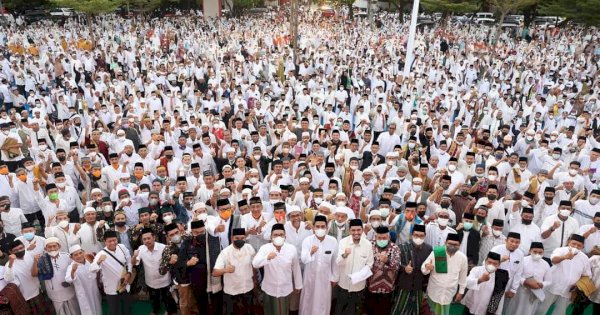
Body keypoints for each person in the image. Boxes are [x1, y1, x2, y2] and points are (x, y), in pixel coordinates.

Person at [535, 234, 592, 315]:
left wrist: (578, 285)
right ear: (569, 242)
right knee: (540, 310)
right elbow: (553, 260)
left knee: (560, 313)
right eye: (573, 243)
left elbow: (586, 274)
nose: (575, 246)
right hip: (553, 286)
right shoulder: (560, 250)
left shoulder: (584, 258)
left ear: (583, 247)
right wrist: (565, 257)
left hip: (568, 290)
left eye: (579, 245)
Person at [252, 223, 302, 315]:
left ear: (285, 236)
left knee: (282, 311)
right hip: (269, 288)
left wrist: (298, 285)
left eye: (281, 235)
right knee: (269, 311)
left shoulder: (291, 249)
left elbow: (296, 268)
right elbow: (255, 263)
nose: (278, 237)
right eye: (275, 235)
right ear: (271, 237)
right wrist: (267, 258)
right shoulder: (265, 248)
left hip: (285, 288)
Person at [180, 219, 222, 315]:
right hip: (197, 278)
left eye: (202, 232)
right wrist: (188, 263)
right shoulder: (187, 243)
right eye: (196, 232)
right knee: (201, 302)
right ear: (191, 232)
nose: (200, 234)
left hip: (214, 275)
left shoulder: (214, 239)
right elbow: (180, 262)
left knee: (217, 300)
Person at [299, 215, 339, 315]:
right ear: (313, 227)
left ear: (326, 227)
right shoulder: (307, 241)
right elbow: (303, 259)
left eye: (322, 227)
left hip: (325, 279)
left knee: (323, 302)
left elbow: (335, 261)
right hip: (310, 278)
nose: (320, 229)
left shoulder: (332, 241)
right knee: (308, 301)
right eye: (317, 226)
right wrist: (311, 252)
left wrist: (335, 277)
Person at [132, 228, 177, 315]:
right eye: (144, 239)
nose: (146, 241)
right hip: (150, 281)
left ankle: (172, 311)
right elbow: (134, 263)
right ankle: (155, 310)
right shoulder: (141, 249)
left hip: (164, 280)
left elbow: (171, 262)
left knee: (167, 298)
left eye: (148, 238)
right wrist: (134, 256)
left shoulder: (163, 247)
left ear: (154, 237)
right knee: (154, 298)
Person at [421, 233, 468, 315]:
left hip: (448, 294)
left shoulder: (462, 258)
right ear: (445, 243)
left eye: (455, 244)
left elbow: (463, 278)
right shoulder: (437, 252)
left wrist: (461, 292)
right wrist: (427, 267)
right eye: (450, 243)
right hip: (434, 292)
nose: (452, 246)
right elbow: (423, 269)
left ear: (460, 245)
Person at [213, 228, 256, 315]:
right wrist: (225, 270)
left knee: (249, 311)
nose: (240, 240)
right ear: (232, 238)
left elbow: (254, 264)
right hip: (232, 290)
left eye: (242, 238)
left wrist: (254, 278)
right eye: (237, 238)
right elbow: (214, 272)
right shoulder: (225, 252)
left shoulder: (249, 248)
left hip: (247, 287)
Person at [335, 218, 374, 315]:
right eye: (353, 230)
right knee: (340, 311)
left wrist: (358, 276)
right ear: (349, 231)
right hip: (343, 286)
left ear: (362, 230)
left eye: (358, 230)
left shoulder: (367, 245)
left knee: (355, 311)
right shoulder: (343, 242)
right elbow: (338, 262)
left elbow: (370, 264)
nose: (356, 232)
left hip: (358, 287)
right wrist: (345, 255)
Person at [391, 224, 432, 315]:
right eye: (416, 235)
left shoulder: (429, 249)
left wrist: (429, 267)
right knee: (399, 309)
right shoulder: (402, 247)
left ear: (425, 236)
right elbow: (395, 264)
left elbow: (430, 266)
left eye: (421, 236)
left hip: (419, 286)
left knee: (415, 310)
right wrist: (404, 268)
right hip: (404, 284)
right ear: (411, 235)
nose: (418, 237)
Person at [89, 230, 133, 315]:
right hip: (111, 287)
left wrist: (129, 273)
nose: (112, 243)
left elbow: (129, 261)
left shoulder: (122, 247)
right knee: (114, 310)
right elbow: (91, 269)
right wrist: (98, 262)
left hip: (124, 283)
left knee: (127, 307)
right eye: (109, 241)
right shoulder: (101, 254)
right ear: (105, 242)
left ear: (117, 239)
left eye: (114, 240)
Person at [32, 237, 79, 315]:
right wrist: (35, 262)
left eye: (54, 246)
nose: (52, 248)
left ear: (59, 246)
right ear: (45, 248)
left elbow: (76, 271)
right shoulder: (42, 260)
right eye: (49, 247)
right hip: (54, 293)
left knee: (75, 311)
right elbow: (34, 274)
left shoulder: (67, 257)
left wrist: (70, 282)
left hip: (69, 290)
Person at [5, 240, 53, 315]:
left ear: (24, 247)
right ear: (11, 252)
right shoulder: (9, 264)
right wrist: (10, 264)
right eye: (16, 250)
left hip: (39, 291)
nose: (19, 251)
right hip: (26, 297)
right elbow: (8, 279)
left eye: (21, 248)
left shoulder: (30, 254)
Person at [504, 242, 551, 315]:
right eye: (535, 252)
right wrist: (525, 281)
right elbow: (515, 275)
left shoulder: (546, 264)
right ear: (530, 251)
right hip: (520, 292)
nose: (537, 254)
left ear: (543, 253)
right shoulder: (523, 260)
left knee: (528, 311)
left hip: (534, 294)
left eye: (540, 252)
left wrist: (542, 284)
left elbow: (549, 281)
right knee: (515, 310)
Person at [365, 226, 400, 315]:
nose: (381, 240)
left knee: (384, 311)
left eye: (384, 238)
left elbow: (396, 267)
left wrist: (387, 261)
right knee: (370, 311)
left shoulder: (395, 248)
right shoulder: (369, 245)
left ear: (389, 237)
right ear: (375, 237)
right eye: (379, 238)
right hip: (371, 288)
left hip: (387, 289)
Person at [65, 245, 102, 315]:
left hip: (94, 292)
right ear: (71, 257)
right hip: (83, 295)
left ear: (83, 252)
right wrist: (73, 271)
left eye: (80, 253)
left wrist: (98, 261)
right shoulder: (71, 266)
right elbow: (68, 279)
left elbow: (96, 269)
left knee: (98, 309)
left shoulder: (89, 262)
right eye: (76, 255)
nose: (79, 256)